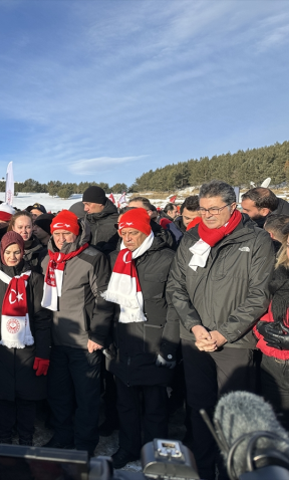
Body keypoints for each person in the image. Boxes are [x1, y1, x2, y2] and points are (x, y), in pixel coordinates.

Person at [167, 180, 275, 479]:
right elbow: (176, 286)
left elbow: (259, 295)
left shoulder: (255, 240)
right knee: (200, 411)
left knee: (233, 414)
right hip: (195, 339)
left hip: (235, 343)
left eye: (215, 209)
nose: (208, 215)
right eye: (203, 209)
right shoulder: (191, 238)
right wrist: (194, 325)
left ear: (232, 206)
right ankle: (203, 470)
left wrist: (224, 333)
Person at [102, 208, 178, 468]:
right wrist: (105, 339)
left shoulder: (167, 259)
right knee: (126, 404)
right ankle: (128, 448)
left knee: (156, 407)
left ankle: (157, 455)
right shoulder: (115, 258)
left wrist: (169, 347)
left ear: (146, 231)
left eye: (133, 233)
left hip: (153, 342)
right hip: (123, 342)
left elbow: (175, 306)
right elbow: (107, 304)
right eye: (123, 234)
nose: (128, 238)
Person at [40, 210, 113, 455]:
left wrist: (98, 335)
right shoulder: (46, 259)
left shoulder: (93, 258)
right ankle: (62, 436)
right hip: (56, 339)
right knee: (59, 395)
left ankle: (84, 443)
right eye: (57, 233)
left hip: (84, 341)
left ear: (77, 232)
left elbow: (104, 299)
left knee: (87, 397)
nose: (61, 238)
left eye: (66, 233)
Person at [0, 232, 51, 446]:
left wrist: (43, 353)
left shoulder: (35, 279)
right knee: (4, 396)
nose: (12, 256)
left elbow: (42, 318)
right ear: (1, 253)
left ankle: (26, 437)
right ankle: (5, 436)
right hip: (1, 347)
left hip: (28, 347)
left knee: (27, 397)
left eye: (16, 252)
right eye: (8, 252)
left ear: (23, 252)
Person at [254, 228, 289, 430]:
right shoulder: (277, 276)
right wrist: (262, 328)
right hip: (273, 360)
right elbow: (262, 310)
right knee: (275, 422)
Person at [80, 185, 119, 256]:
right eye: (84, 205)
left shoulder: (117, 222)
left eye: (88, 204)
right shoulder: (83, 222)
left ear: (100, 203)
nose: (85, 209)